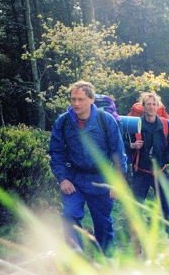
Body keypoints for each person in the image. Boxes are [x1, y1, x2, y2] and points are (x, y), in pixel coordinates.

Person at [48, 81, 127, 253]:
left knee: (103, 225)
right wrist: (63, 178)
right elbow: (56, 153)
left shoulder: (106, 121)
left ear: (91, 99)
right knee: (69, 216)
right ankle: (77, 261)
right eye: (73, 99)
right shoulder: (63, 122)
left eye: (81, 99)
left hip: (101, 180)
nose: (76, 103)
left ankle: (106, 263)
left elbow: (118, 155)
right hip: (74, 178)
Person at [126, 92, 169, 234]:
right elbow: (121, 145)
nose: (151, 107)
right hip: (140, 173)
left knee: (166, 209)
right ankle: (137, 242)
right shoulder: (134, 124)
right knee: (136, 209)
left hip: (160, 173)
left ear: (158, 106)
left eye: (154, 104)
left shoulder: (166, 124)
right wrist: (132, 146)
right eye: (148, 104)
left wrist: (164, 160)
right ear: (143, 106)